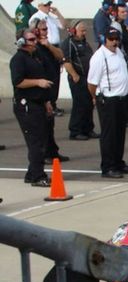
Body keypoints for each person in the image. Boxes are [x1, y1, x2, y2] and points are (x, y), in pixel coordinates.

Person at [87, 27, 128, 179]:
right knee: (109, 134)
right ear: (105, 39)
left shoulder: (119, 53)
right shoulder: (99, 57)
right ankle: (108, 166)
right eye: (111, 39)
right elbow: (91, 82)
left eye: (116, 39)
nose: (114, 42)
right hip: (108, 99)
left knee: (120, 133)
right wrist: (96, 97)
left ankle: (118, 162)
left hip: (121, 99)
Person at [10, 29, 54, 187]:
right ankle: (37, 175)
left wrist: (46, 101)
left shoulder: (35, 57)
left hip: (38, 103)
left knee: (41, 139)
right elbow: (18, 81)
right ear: (22, 42)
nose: (35, 42)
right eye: (31, 40)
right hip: (26, 105)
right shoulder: (18, 59)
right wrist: (37, 82)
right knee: (36, 142)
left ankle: (31, 173)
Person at [31, 19, 69, 165]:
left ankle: (52, 151)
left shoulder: (47, 46)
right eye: (43, 29)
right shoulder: (35, 49)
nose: (46, 32)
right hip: (42, 94)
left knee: (50, 124)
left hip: (52, 91)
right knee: (43, 126)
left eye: (46, 29)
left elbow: (61, 55)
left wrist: (48, 45)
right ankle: (45, 153)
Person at [61, 20, 98, 141]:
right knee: (79, 105)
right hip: (78, 78)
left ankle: (88, 129)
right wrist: (75, 75)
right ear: (73, 30)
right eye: (82, 30)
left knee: (88, 104)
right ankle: (75, 131)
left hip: (88, 78)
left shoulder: (84, 43)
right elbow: (66, 61)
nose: (84, 33)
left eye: (85, 30)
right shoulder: (68, 43)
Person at [29, 1, 66, 116]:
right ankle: (49, 104)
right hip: (43, 46)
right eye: (46, 5)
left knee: (56, 77)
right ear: (39, 6)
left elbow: (63, 25)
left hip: (54, 47)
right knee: (49, 76)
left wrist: (58, 13)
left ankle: (53, 103)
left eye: (49, 4)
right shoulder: (36, 18)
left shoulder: (50, 17)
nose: (48, 7)